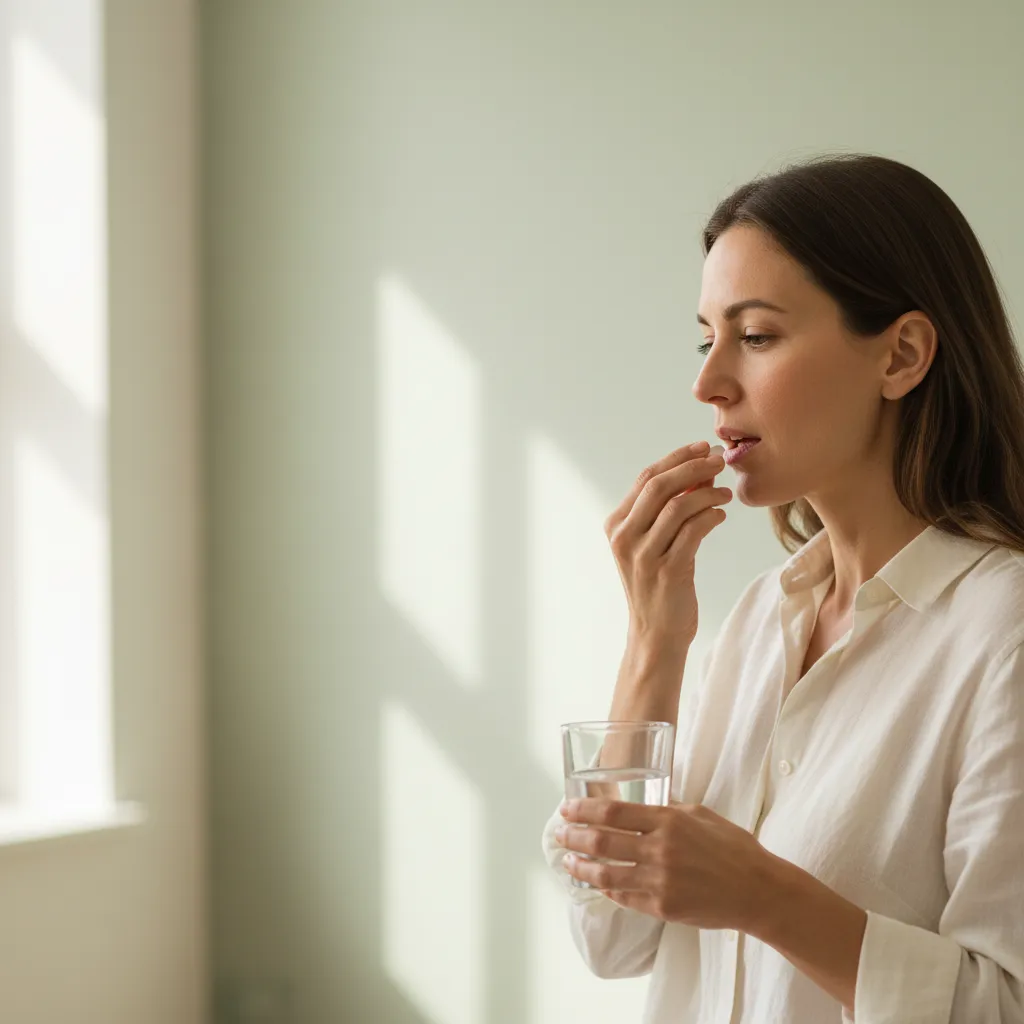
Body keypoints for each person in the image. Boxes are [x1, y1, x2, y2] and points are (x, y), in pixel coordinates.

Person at [541, 153, 1024, 1023]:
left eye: (756, 336)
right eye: (707, 338)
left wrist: (763, 896)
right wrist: (654, 641)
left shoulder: (1004, 633)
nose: (707, 382)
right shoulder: (759, 621)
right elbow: (610, 936)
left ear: (902, 355)